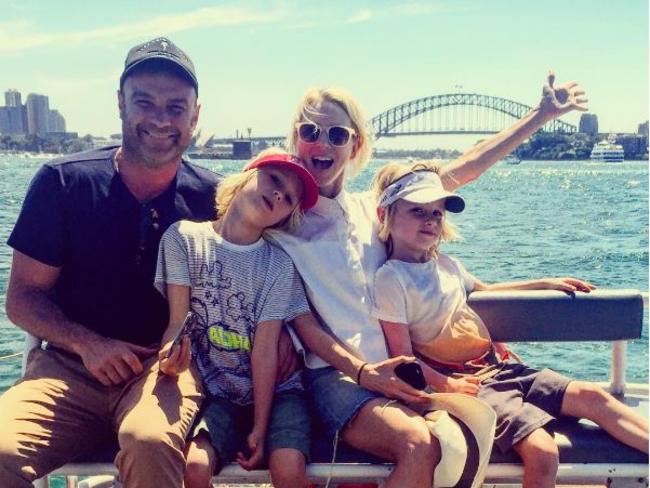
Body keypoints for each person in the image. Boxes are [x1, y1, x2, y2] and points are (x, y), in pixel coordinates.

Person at [266, 72, 590, 488]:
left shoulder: (374, 211)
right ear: (296, 137)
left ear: (356, 144)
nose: (322, 143)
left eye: (337, 133)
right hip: (338, 377)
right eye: (310, 131)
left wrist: (540, 115)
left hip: (405, 371)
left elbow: (465, 168)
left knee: (455, 444)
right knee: (419, 444)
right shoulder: (281, 224)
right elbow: (226, 231)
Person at [0, 37, 220, 487]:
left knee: (151, 442)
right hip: (67, 371)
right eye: (145, 102)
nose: (161, 119)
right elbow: (23, 297)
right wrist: (86, 343)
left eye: (177, 107)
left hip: (164, 374)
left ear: (196, 116)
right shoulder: (63, 183)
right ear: (120, 103)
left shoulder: (216, 199)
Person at [371, 161, 650, 488]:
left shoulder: (445, 264)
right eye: (417, 211)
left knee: (592, 395)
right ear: (384, 216)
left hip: (499, 369)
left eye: (437, 213)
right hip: (469, 382)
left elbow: (486, 290)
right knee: (543, 452)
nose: (430, 221)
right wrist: (448, 386)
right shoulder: (391, 279)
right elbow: (404, 360)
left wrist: (544, 283)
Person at [154, 150, 320, 488]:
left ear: (287, 215)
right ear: (247, 175)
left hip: (281, 393)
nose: (278, 194)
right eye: (274, 179)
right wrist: (169, 360)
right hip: (220, 395)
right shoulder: (183, 238)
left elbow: (264, 350)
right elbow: (177, 322)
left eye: (288, 198)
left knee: (287, 469)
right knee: (194, 467)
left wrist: (259, 427)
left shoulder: (277, 265)